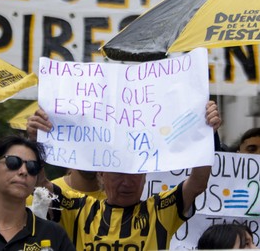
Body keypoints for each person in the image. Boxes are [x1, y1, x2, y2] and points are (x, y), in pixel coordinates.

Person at [27, 100, 222, 250]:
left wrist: (207, 135)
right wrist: (35, 141)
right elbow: (41, 185)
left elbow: (197, 183)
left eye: (135, 174)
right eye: (118, 174)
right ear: (101, 174)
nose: (127, 182)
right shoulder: (79, 207)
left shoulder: (160, 210)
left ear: (145, 176)